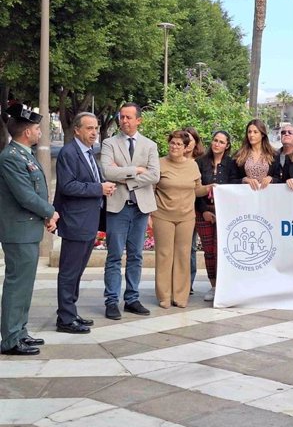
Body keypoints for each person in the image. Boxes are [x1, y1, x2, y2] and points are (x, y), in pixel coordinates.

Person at [0, 105, 58, 355]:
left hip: (28, 229)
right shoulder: (11, 157)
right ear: (26, 132)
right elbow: (25, 196)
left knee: (25, 284)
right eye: (36, 128)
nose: (39, 132)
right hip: (18, 231)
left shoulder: (24, 154)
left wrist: (45, 214)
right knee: (17, 285)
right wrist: (50, 211)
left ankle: (20, 331)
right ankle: (11, 339)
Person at [53, 113, 116, 334]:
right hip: (75, 221)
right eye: (89, 128)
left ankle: (71, 311)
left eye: (96, 128)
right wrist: (99, 188)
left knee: (77, 271)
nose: (94, 133)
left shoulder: (90, 153)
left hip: (88, 221)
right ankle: (65, 318)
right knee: (69, 272)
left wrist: (103, 186)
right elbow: (68, 187)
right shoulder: (69, 153)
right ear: (77, 130)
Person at [101, 103, 160, 320]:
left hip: (141, 208)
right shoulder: (109, 143)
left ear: (138, 120)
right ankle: (111, 301)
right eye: (121, 117)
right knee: (114, 255)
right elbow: (107, 171)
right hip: (117, 207)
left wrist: (123, 176)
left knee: (136, 255)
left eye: (128, 117)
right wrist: (136, 170)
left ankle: (132, 299)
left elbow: (154, 176)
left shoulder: (150, 145)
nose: (124, 121)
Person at [152, 131, 208, 308]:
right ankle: (164, 296)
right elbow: (150, 190)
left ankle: (180, 295)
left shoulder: (192, 165)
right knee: (164, 254)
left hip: (186, 217)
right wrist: (149, 214)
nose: (174, 147)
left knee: (183, 254)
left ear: (185, 148)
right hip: (162, 215)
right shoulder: (159, 164)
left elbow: (197, 190)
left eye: (178, 144)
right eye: (172, 143)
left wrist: (210, 188)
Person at [196, 131, 234, 302]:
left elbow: (234, 188)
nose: (217, 144)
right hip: (204, 211)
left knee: (222, 250)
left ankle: (224, 285)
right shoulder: (201, 162)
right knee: (209, 251)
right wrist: (204, 210)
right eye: (215, 140)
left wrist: (223, 211)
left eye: (221, 142)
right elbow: (195, 189)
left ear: (227, 145)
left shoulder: (232, 164)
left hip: (224, 213)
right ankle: (213, 285)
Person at [183, 126, 204, 295]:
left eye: (190, 139)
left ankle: (188, 282)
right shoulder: (173, 160)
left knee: (190, 247)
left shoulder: (201, 162)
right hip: (177, 210)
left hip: (196, 209)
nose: (187, 143)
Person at [231, 119, 280, 189]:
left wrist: (271, 179)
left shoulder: (273, 154)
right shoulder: (239, 155)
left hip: (267, 195)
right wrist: (244, 180)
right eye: (249, 132)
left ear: (262, 134)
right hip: (245, 195)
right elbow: (231, 180)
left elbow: (279, 179)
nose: (251, 135)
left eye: (255, 132)